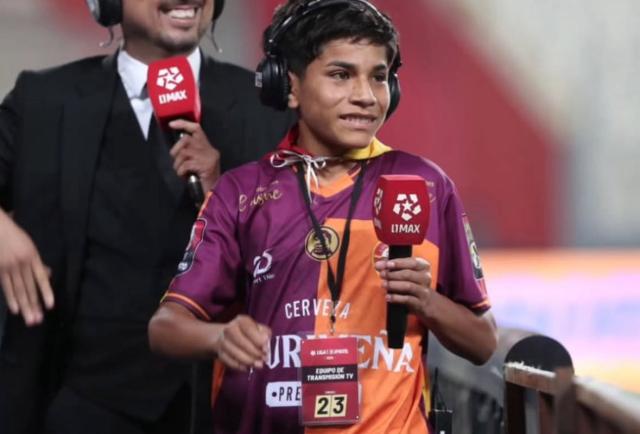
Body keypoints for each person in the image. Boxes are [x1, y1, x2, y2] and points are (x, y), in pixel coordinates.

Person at [148, 0, 497, 433]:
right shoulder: (241, 192)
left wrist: (428, 302)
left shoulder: (426, 185)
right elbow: (165, 328)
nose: (365, 96)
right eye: (341, 75)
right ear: (287, 85)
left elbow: (484, 342)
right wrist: (219, 337)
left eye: (378, 77)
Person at [0, 0, 293, 433]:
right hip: (79, 405)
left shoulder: (268, 108)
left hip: (222, 407)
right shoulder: (43, 101)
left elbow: (305, 256)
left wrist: (221, 193)